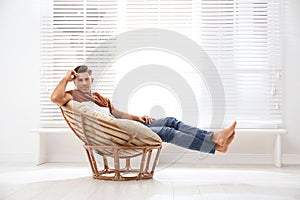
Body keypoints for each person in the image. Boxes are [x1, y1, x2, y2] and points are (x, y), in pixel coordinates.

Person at [51, 65, 236, 154]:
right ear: (74, 81)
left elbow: (117, 114)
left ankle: (214, 138)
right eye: (79, 80)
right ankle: (215, 146)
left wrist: (139, 118)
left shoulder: (96, 97)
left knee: (170, 121)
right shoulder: (71, 95)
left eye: (86, 79)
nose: (83, 83)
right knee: (166, 132)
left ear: (92, 80)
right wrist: (66, 78)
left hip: (122, 126)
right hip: (116, 134)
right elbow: (55, 98)